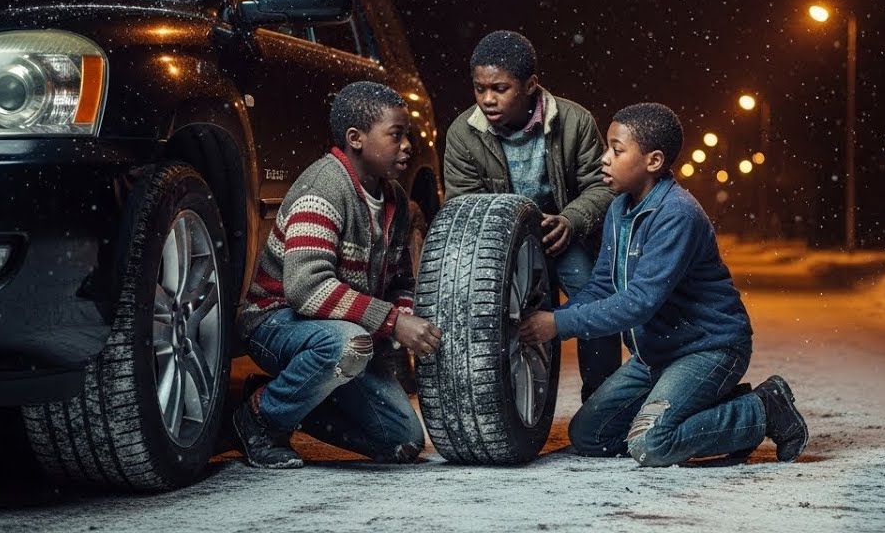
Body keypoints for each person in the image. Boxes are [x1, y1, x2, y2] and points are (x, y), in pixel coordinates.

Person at [519, 102, 809, 466]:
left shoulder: (677, 214)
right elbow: (603, 287)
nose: (604, 159)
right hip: (656, 356)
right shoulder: (619, 209)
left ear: (653, 161)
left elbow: (639, 303)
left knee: (651, 444)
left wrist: (557, 324)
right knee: (591, 436)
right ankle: (695, 407)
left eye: (617, 150)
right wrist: (553, 318)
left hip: (709, 349)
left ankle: (764, 409)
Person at [233, 81, 444, 468]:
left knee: (402, 442)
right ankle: (260, 419)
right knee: (348, 345)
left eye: (408, 137)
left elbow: (400, 282)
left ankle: (280, 396)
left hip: (344, 332)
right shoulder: (324, 189)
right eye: (396, 135)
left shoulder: (395, 200)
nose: (407, 147)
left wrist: (407, 319)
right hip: (276, 322)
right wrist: (395, 323)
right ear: (356, 138)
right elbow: (307, 288)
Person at [443, 30, 621, 401]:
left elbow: (603, 187)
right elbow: (463, 206)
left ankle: (602, 403)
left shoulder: (575, 121)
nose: (487, 99)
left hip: (563, 236)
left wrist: (570, 220)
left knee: (594, 303)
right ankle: (512, 407)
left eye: (500, 89)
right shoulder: (462, 133)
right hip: (501, 246)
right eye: (479, 88)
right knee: (494, 320)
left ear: (530, 85)